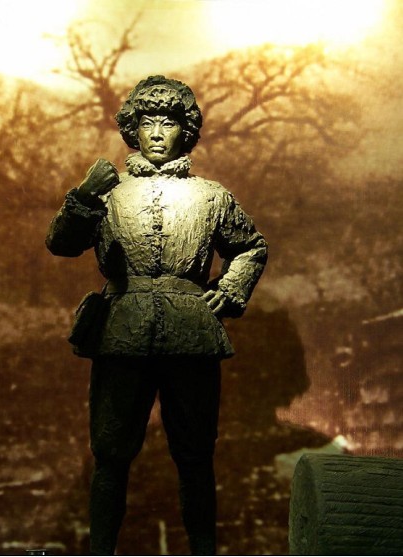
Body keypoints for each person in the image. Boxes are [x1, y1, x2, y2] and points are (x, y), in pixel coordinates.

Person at [46, 75, 268, 555]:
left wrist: (230, 289)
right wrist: (84, 195)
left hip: (191, 335)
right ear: (133, 129)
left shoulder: (211, 196)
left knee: (195, 455)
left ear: (185, 130)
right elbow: (61, 244)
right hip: (121, 332)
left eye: (168, 123)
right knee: (110, 454)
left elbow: (250, 247)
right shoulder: (109, 192)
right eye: (148, 123)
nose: (158, 133)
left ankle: (203, 550)